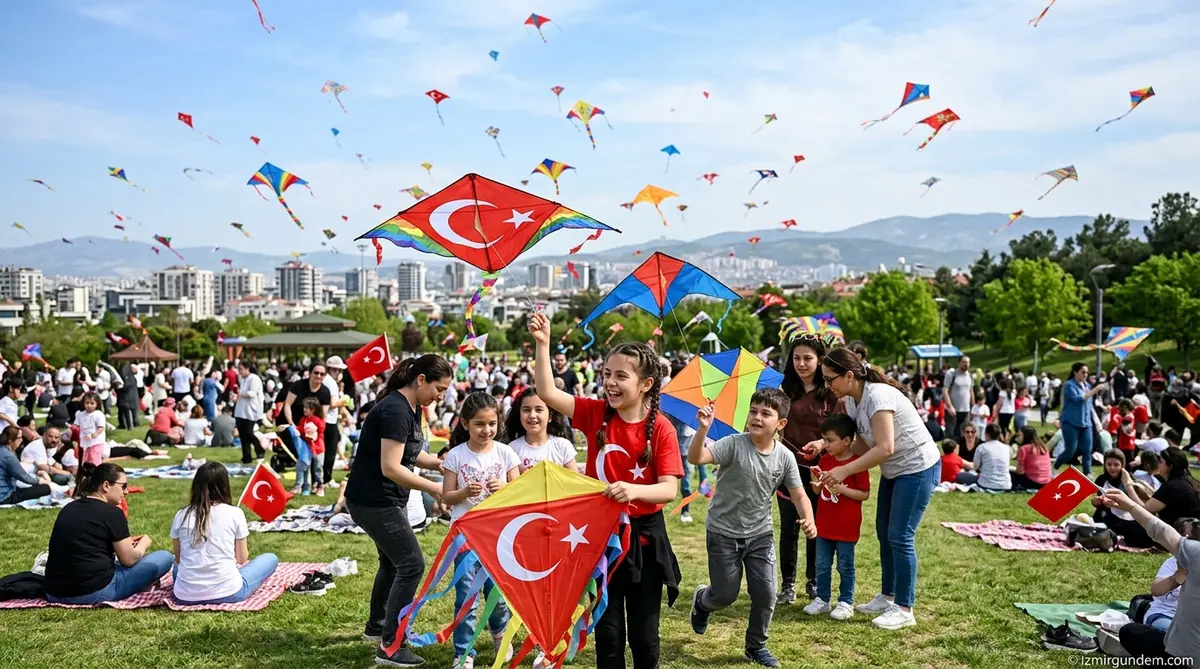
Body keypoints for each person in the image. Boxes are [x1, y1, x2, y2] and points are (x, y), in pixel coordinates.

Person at [530, 311, 682, 669]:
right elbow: (547, 392)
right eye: (606, 374)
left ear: (645, 384)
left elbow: (669, 489)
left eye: (621, 376)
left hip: (644, 542)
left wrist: (633, 490)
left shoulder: (661, 429)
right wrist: (543, 344)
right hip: (600, 540)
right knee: (608, 636)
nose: (610, 383)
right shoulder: (596, 413)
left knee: (644, 639)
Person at [808, 347, 940, 630]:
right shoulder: (854, 401)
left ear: (849, 375)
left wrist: (844, 470)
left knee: (900, 536)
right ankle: (888, 595)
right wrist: (824, 446)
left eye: (830, 379)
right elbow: (862, 444)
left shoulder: (878, 396)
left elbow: (885, 447)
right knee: (884, 532)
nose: (828, 386)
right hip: (896, 471)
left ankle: (904, 608)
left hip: (918, 468)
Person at [687, 389, 816, 668]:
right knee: (725, 595)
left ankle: (756, 645)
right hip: (722, 532)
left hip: (760, 535)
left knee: (767, 594)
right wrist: (702, 430)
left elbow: (799, 494)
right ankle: (702, 601)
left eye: (765, 413)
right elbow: (696, 458)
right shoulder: (732, 444)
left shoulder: (784, 457)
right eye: (753, 410)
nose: (756, 417)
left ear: (780, 423)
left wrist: (809, 518)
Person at [345, 354, 452, 667]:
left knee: (393, 564)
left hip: (381, 499)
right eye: (439, 388)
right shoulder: (394, 409)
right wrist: (434, 487)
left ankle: (377, 627)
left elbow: (408, 453)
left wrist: (440, 464)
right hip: (374, 500)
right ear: (420, 380)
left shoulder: (410, 407)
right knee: (411, 564)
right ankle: (391, 646)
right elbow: (391, 467)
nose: (441, 396)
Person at [442, 393, 520, 668]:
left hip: (498, 536)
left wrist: (506, 488)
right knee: (466, 595)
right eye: (479, 424)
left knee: (497, 593)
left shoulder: (506, 453)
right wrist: (462, 492)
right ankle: (463, 653)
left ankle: (500, 633)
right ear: (465, 423)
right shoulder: (456, 455)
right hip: (465, 536)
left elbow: (521, 494)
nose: (486, 430)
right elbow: (446, 497)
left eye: (491, 423)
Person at [44, 463, 173, 604]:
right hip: (92, 592)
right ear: (106, 485)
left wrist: (124, 543)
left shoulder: (68, 508)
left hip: (54, 592)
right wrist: (144, 543)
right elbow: (129, 560)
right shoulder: (113, 513)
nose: (127, 491)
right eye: (123, 486)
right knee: (165, 557)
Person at [776, 333, 838, 603]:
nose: (801, 363)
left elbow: (842, 430)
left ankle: (814, 581)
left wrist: (823, 443)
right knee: (789, 527)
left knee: (817, 526)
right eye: (797, 358)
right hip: (787, 469)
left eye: (808, 358)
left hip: (820, 471)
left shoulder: (831, 393)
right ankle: (787, 585)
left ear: (820, 360)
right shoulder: (783, 390)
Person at [1105, 489, 1200, 662]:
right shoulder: (1177, 562)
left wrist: (1130, 504)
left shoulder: (1194, 555)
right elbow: (1157, 589)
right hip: (1169, 621)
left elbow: (1160, 530)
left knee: (1132, 631)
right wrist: (1174, 580)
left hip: (1183, 653)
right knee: (1145, 603)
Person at [171, 462, 279, 604]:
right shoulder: (235, 513)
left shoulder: (181, 514)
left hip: (185, 595)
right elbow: (241, 558)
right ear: (224, 485)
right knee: (270, 558)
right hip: (229, 592)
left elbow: (179, 559)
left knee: (176, 568)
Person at [801, 413, 870, 624]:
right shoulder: (825, 460)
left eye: (830, 440)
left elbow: (864, 494)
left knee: (845, 565)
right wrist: (817, 487)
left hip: (846, 527)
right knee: (821, 564)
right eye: (825, 440)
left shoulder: (857, 463)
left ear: (847, 441)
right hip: (825, 524)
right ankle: (823, 599)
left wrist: (841, 488)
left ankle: (846, 602)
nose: (826, 445)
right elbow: (822, 492)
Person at [503, 387, 577, 473]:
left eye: (539, 410)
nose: (532, 415)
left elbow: (575, 481)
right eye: (526, 410)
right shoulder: (512, 449)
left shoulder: (562, 446)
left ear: (550, 416)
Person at [1055, 363, 1107, 476]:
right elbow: (1078, 398)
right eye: (1083, 372)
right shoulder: (1069, 385)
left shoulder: (1087, 385)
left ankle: (1087, 473)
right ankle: (1055, 467)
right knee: (1070, 451)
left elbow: (1089, 406)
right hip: (1071, 422)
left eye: (1087, 372)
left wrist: (1096, 421)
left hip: (1086, 422)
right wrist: (1094, 390)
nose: (1085, 375)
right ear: (1075, 372)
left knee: (1087, 450)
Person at [1, 425, 51, 504]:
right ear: (10, 441)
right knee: (46, 488)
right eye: (19, 438)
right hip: (4, 496)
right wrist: (38, 481)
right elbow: (22, 476)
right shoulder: (8, 456)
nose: (21, 440)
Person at [321, 356, 349, 490]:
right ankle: (327, 479)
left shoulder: (326, 381)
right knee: (330, 451)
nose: (338, 373)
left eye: (339, 370)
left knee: (330, 447)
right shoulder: (330, 383)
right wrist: (344, 400)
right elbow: (332, 404)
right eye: (335, 370)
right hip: (329, 421)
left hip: (327, 420)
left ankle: (324, 478)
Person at [234, 361, 266, 464]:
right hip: (240, 410)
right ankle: (246, 456)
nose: (240, 372)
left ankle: (260, 449)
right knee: (243, 435)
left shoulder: (254, 378)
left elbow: (252, 393)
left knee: (248, 432)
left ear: (247, 368)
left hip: (251, 410)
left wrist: (240, 393)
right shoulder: (242, 379)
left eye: (241, 369)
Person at [292, 397, 325, 497]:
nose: (304, 409)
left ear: (313, 410)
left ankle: (320, 486)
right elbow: (300, 429)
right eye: (304, 407)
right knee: (305, 467)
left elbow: (321, 429)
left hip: (318, 449)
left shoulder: (318, 420)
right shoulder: (303, 419)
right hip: (307, 449)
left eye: (307, 408)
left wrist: (313, 434)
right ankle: (304, 487)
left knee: (318, 468)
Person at [968, 424, 1012, 491]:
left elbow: (975, 467)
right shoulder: (1007, 448)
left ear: (986, 434)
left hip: (985, 484)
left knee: (961, 476)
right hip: (1005, 485)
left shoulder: (982, 447)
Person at [1011, 426, 1052, 491]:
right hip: (1046, 482)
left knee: (1009, 474)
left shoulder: (1024, 448)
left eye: (1019, 435)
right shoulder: (1043, 447)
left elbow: (1020, 471)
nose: (1017, 437)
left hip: (1033, 482)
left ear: (1026, 436)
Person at [943, 356, 974, 439]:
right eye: (963, 362)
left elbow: (971, 391)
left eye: (967, 362)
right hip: (953, 410)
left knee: (964, 435)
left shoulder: (970, 376)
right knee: (951, 434)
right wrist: (949, 406)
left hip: (965, 410)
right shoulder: (952, 374)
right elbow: (945, 390)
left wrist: (973, 406)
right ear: (959, 363)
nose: (966, 364)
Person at [75, 392, 107, 466]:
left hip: (96, 442)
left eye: (92, 403)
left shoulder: (98, 414)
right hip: (85, 442)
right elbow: (76, 426)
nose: (89, 405)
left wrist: (93, 435)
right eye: (87, 403)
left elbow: (101, 427)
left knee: (94, 458)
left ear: (97, 404)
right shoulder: (80, 414)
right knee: (85, 459)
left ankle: (96, 473)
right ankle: (87, 474)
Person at [117, 363, 141, 429]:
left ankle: (129, 425)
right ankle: (136, 423)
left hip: (126, 397)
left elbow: (125, 387)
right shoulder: (133, 377)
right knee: (135, 411)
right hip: (134, 396)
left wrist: (119, 388)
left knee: (127, 412)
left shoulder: (127, 377)